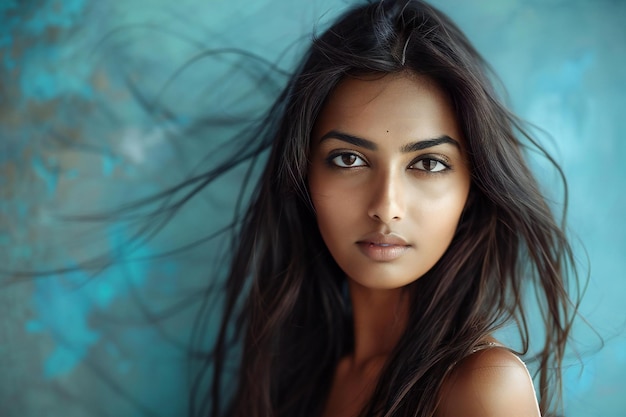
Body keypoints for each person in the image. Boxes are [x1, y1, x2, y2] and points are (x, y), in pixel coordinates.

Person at [185, 1, 579, 416]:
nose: (385, 208)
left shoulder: (482, 385)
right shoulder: (294, 372)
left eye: (428, 163)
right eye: (348, 159)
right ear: (303, 175)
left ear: (474, 187)